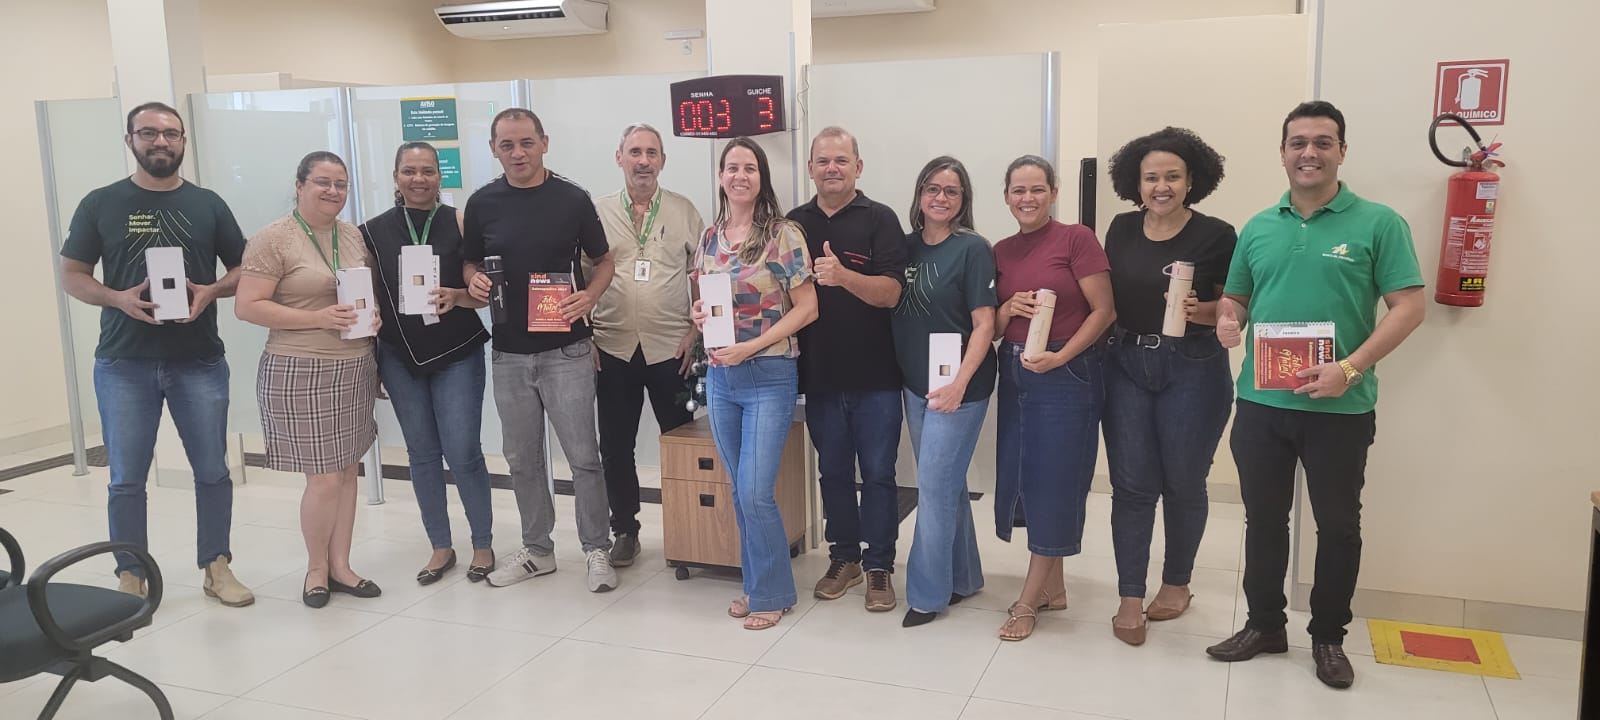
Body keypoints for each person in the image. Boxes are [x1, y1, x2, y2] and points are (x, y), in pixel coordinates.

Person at [1204, 101, 1425, 689]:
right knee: (1264, 521)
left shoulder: (1379, 224)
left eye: (1323, 142)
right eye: (1298, 142)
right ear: (1282, 152)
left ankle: (1328, 637)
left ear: (1342, 152)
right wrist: (1228, 319)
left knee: (1338, 526)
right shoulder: (1259, 226)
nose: (1309, 153)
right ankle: (1264, 626)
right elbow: (1238, 299)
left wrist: (1350, 369)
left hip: (1340, 408)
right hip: (1261, 404)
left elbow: (1409, 307)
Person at [58, 101, 253, 607]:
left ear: (184, 141)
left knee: (212, 470)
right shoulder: (100, 203)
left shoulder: (208, 204)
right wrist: (117, 298)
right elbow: (72, 275)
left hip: (199, 359)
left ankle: (216, 566)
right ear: (130, 140)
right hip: (124, 362)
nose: (160, 141)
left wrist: (211, 291)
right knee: (126, 478)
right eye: (148, 133)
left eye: (170, 133)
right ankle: (131, 574)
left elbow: (243, 269)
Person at [462, 108, 619, 593]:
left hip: (567, 351)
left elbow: (604, 260)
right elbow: (470, 263)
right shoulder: (482, 202)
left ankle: (596, 549)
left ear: (544, 143)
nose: (518, 153)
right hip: (509, 353)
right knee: (521, 459)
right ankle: (537, 550)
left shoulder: (572, 199)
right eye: (507, 145)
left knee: (583, 457)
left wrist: (589, 297)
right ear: (493, 149)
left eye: (526, 143)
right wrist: (474, 279)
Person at [1102, 128, 1236, 645]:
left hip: (1193, 365)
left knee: (1183, 482)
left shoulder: (1217, 234)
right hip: (1127, 363)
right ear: (1135, 183)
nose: (1161, 186)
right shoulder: (1120, 228)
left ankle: (1177, 583)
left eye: (1172, 176)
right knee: (1132, 485)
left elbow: (1234, 308)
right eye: (1151, 177)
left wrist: (1200, 310)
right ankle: (1129, 595)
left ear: (1191, 180)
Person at [236, 151, 383, 609]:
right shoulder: (273, 238)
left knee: (348, 470)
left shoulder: (352, 235)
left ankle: (341, 566)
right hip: (301, 368)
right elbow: (247, 306)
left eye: (341, 184)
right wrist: (317, 318)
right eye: (323, 182)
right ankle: (316, 569)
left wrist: (372, 317)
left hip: (355, 364)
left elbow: (360, 293)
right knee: (323, 478)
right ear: (300, 185)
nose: (333, 191)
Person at [691, 137, 817, 631]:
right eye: (732, 167)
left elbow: (808, 308)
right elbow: (705, 302)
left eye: (749, 168)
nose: (739, 175)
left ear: (761, 178)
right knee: (739, 490)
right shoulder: (710, 237)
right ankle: (756, 584)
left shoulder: (783, 235)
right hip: (722, 377)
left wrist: (753, 346)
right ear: (721, 176)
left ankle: (773, 593)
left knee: (755, 491)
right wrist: (698, 315)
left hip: (768, 374)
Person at [359, 141, 495, 586]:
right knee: (421, 454)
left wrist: (458, 296)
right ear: (395, 177)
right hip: (399, 357)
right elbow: (370, 299)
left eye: (427, 171)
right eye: (409, 171)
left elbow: (485, 292)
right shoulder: (371, 232)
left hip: (457, 352)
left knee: (463, 452)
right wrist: (374, 361)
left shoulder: (461, 221)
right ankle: (440, 545)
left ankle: (482, 543)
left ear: (440, 175)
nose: (418, 179)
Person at [990, 155, 1114, 641]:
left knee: (1055, 481)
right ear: (1006, 196)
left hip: (1067, 372)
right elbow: (993, 326)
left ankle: (1027, 599)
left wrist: (1061, 358)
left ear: (1054, 193)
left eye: (1037, 189)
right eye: (1018, 190)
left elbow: (1104, 311)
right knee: (1025, 474)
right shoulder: (1001, 250)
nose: (1028, 198)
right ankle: (1053, 588)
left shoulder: (1076, 239)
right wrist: (1007, 308)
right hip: (1015, 368)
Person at [787, 127, 908, 611]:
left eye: (841, 160)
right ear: (810, 168)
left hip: (877, 377)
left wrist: (842, 277)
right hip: (819, 376)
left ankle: (879, 566)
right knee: (833, 472)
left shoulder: (880, 219)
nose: (832, 169)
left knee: (878, 473)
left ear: (858, 167)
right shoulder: (794, 224)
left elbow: (892, 293)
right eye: (823, 161)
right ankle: (844, 558)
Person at [590, 123, 702, 566]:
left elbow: (702, 274)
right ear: (619, 157)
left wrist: (695, 333)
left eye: (651, 153)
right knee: (616, 446)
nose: (643, 161)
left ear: (662, 161)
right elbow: (578, 275)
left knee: (681, 442)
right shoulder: (596, 212)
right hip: (612, 347)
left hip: (672, 350)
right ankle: (625, 530)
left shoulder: (683, 210)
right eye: (634, 152)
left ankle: (688, 531)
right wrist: (585, 335)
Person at [894, 156, 996, 628]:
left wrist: (958, 384)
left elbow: (984, 324)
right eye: (932, 188)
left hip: (961, 388)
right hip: (916, 384)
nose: (940, 197)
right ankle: (965, 577)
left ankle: (926, 595)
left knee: (932, 489)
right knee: (946, 486)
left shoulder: (972, 249)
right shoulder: (904, 248)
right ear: (919, 194)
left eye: (951, 191)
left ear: (963, 200)